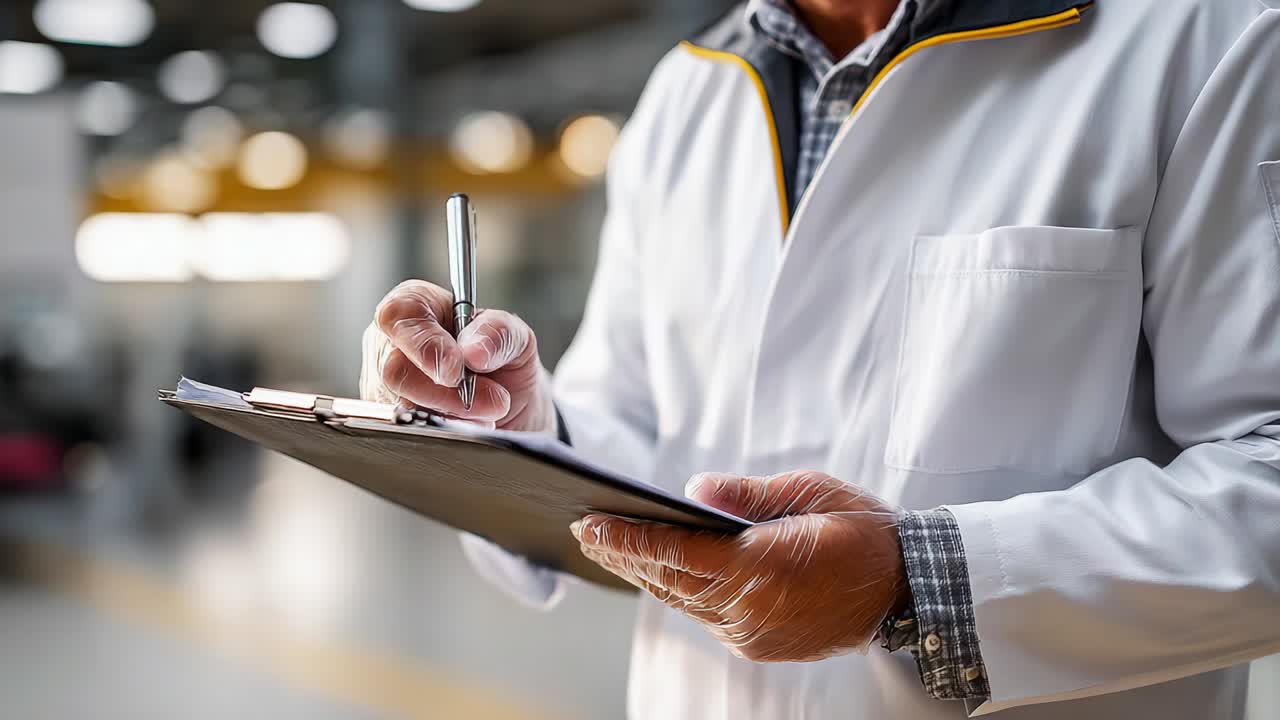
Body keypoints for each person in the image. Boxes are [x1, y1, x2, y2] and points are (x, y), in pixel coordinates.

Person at [361, 0, 1280, 717]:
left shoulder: (1209, 44)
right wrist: (518, 425)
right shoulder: (686, 94)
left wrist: (915, 584)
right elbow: (637, 434)